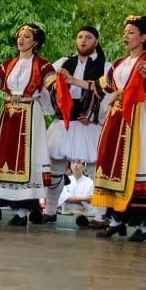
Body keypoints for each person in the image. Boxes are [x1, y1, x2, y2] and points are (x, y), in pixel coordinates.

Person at [69, 15, 146, 242]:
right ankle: (115, 220)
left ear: (144, 37)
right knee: (113, 166)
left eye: (132, 32)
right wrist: (73, 81)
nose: (126, 36)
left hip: (137, 117)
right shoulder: (119, 64)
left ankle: (145, 225)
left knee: (136, 168)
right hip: (117, 116)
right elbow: (99, 86)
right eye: (125, 32)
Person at [0, 24, 56, 226]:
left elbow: (55, 87)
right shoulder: (8, 64)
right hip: (9, 113)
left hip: (29, 115)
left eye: (26, 36)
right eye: (19, 36)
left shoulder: (44, 66)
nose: (21, 39)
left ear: (35, 42)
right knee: (1, 157)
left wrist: (61, 87)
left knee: (25, 161)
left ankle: (22, 212)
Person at [45, 26, 110, 224]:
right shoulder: (64, 63)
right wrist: (56, 87)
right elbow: (45, 81)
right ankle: (50, 209)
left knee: (96, 168)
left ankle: (100, 215)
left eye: (88, 37)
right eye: (80, 37)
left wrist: (94, 114)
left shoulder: (106, 67)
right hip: (66, 121)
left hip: (88, 123)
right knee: (55, 166)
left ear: (96, 42)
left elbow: (109, 94)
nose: (83, 40)